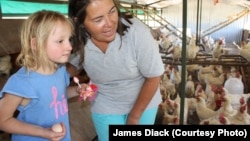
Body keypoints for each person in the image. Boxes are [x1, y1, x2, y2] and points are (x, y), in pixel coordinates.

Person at [67, 0, 164, 141]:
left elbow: (154, 77)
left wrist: (134, 117)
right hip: (106, 101)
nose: (110, 23)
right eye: (98, 19)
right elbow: (72, 67)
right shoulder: (79, 39)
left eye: (112, 11)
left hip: (143, 100)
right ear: (80, 22)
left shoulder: (136, 32)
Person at [0, 10, 79, 141]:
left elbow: (58, 95)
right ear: (35, 44)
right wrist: (43, 132)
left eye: (69, 39)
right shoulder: (23, 82)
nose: (70, 47)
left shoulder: (60, 71)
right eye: (60, 41)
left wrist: (77, 90)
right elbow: (3, 120)